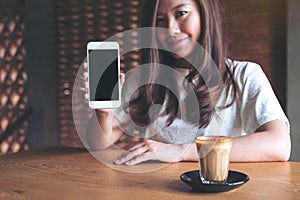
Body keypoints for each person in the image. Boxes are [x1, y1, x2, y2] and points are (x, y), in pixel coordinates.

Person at [85, 0, 291, 165]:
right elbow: (100, 143)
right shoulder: (142, 80)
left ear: (204, 14)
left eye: (181, 13)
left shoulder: (245, 75)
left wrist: (182, 150)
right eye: (160, 20)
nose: (171, 29)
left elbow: (279, 145)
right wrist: (104, 113)